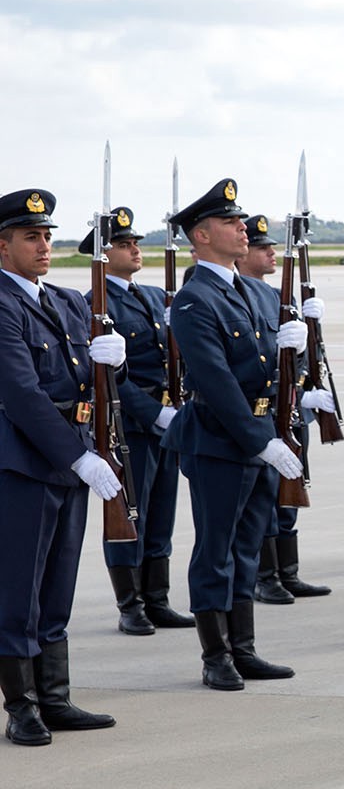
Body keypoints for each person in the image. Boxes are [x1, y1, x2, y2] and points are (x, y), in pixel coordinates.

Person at [162, 183, 301, 690]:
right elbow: (216, 381)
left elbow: (274, 370)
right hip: (220, 442)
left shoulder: (260, 292)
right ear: (201, 236)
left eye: (241, 220)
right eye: (230, 222)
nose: (243, 227)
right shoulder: (195, 300)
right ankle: (215, 654)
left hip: (261, 435)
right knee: (215, 549)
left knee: (248, 547)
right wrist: (259, 440)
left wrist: (298, 350)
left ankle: (244, 648)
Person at [0, 188, 122, 744]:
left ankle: (56, 697)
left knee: (58, 584)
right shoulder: (2, 304)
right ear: (3, 247)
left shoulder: (69, 301)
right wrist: (78, 456)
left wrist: (111, 361)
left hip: (70, 459)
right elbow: (22, 394)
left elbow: (87, 386)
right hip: (25, 463)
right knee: (18, 588)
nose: (45, 245)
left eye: (48, 235)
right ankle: (21, 706)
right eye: (31, 237)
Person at [81, 206, 195, 634]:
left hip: (165, 418)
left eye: (135, 243)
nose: (134, 250)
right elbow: (106, 378)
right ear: (102, 254)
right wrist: (155, 413)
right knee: (129, 512)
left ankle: (157, 598)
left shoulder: (149, 295)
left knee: (161, 509)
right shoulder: (95, 304)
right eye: (124, 244)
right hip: (130, 421)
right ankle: (130, 604)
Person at [238, 215, 336, 604]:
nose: (271, 252)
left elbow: (302, 358)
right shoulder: (241, 295)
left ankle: (287, 572)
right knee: (265, 499)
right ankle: (266, 575)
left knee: (289, 494)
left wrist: (305, 387)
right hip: (266, 411)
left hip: (292, 407)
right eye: (263, 247)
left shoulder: (278, 297)